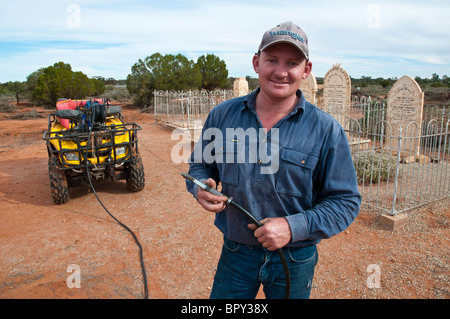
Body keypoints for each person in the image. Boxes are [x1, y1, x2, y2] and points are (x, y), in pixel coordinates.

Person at [185, 21, 361, 299]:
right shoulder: (222, 116)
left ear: (306, 70)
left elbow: (345, 201)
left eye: (292, 63)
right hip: (236, 252)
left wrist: (293, 227)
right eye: (271, 60)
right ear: (256, 63)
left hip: (294, 258)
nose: (280, 72)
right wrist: (199, 187)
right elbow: (200, 166)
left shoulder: (326, 130)